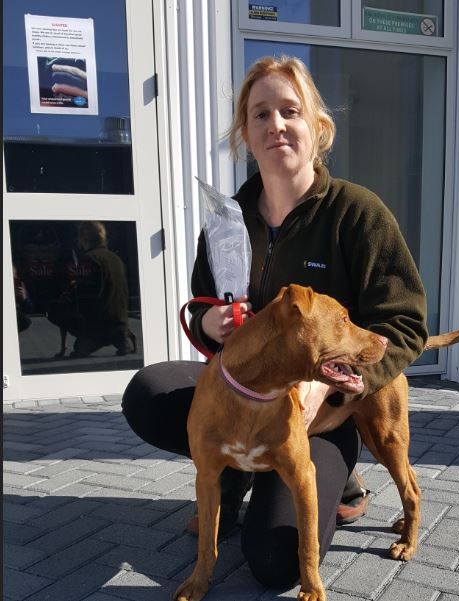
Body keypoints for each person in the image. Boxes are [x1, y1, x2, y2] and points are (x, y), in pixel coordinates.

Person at [122, 55, 428, 589]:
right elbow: (201, 302)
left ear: (318, 125)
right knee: (149, 393)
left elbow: (404, 324)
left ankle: (342, 476)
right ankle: (232, 472)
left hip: (321, 413)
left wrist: (332, 391)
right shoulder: (227, 220)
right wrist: (208, 323)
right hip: (244, 396)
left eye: (291, 110)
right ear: (245, 132)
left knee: (277, 561)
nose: (276, 125)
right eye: (260, 114)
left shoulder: (357, 214)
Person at [47, 221, 136, 358]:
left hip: (98, 325)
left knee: (56, 313)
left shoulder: (89, 258)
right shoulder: (116, 258)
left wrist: (73, 288)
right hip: (119, 321)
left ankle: (93, 339)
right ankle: (120, 339)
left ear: (84, 239)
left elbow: (86, 297)